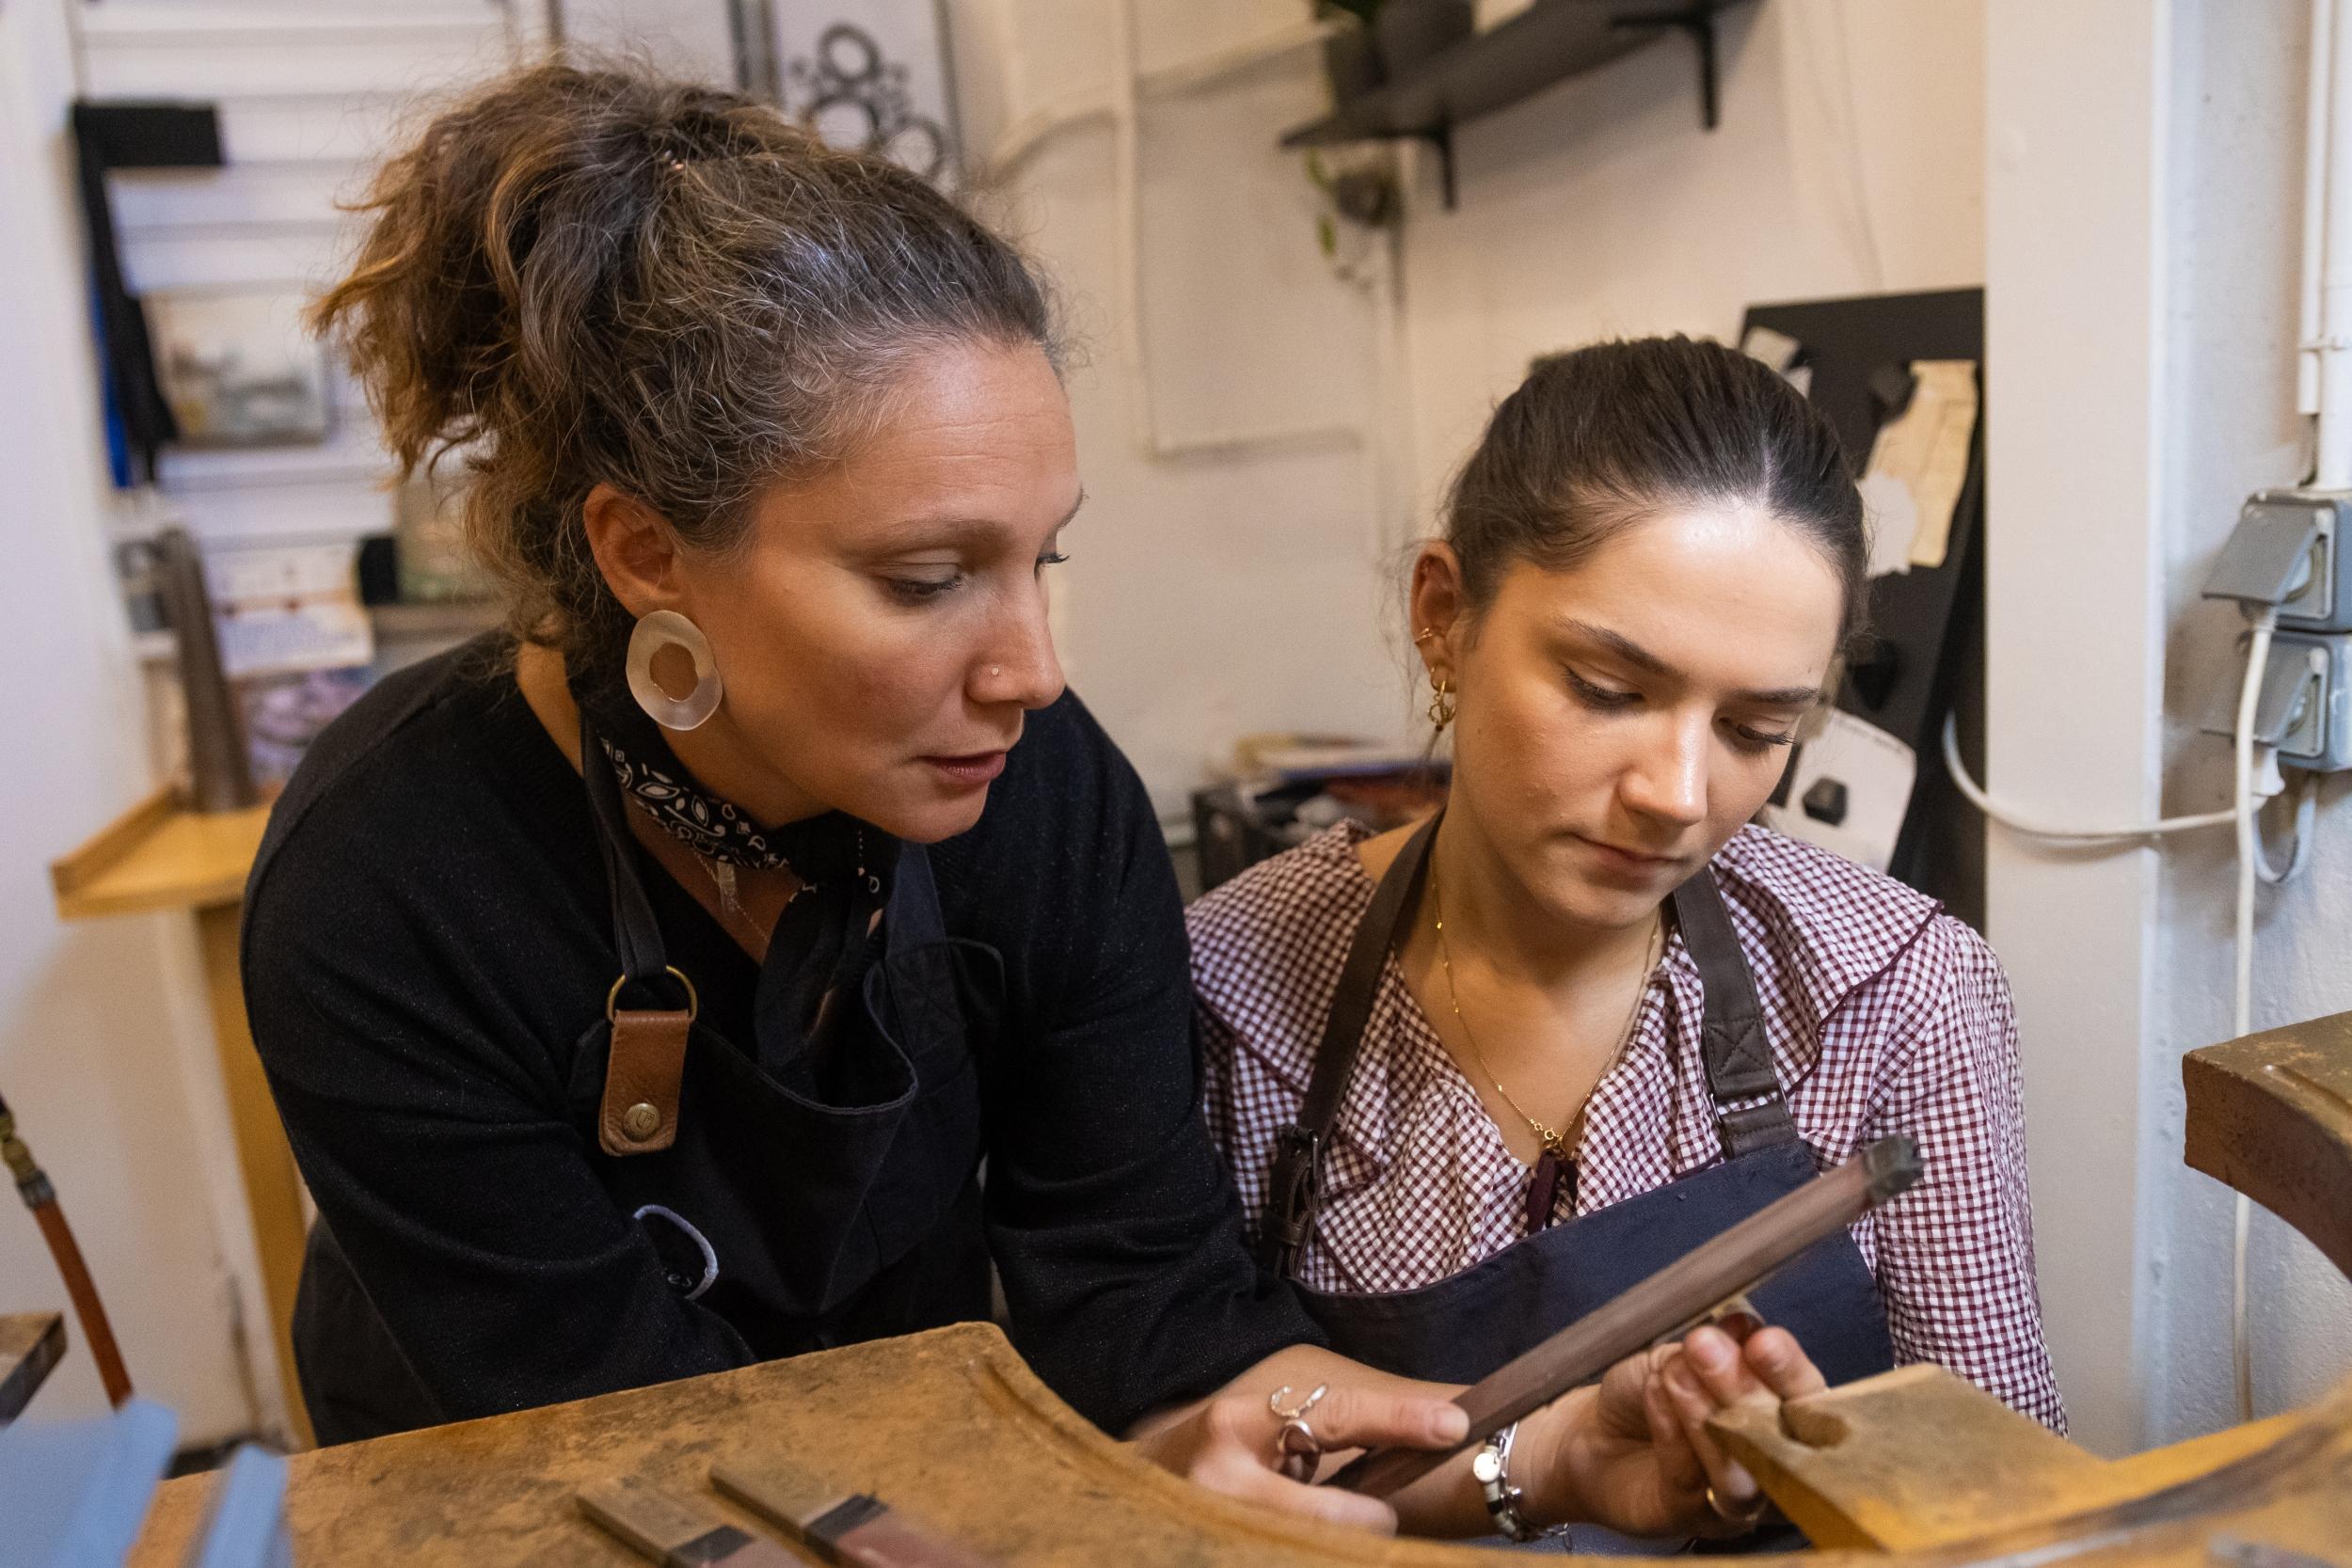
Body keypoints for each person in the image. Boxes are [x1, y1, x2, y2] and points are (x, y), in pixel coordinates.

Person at [243, 65, 1816, 1539]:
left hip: (922, 1482)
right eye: (927, 579)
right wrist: (1109, 1518)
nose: (1033, 671)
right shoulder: (387, 880)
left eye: (1038, 557)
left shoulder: (1042, 805)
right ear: (648, 554)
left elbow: (1154, 1306)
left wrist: (1530, 1455)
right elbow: (631, 1458)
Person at [1193, 336, 2064, 1540]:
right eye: (1608, 688)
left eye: (1758, 727)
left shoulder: (1894, 987)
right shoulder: (1224, 984)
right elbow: (1161, 1453)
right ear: (1444, 617)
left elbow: (2003, 1499)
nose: (1677, 790)